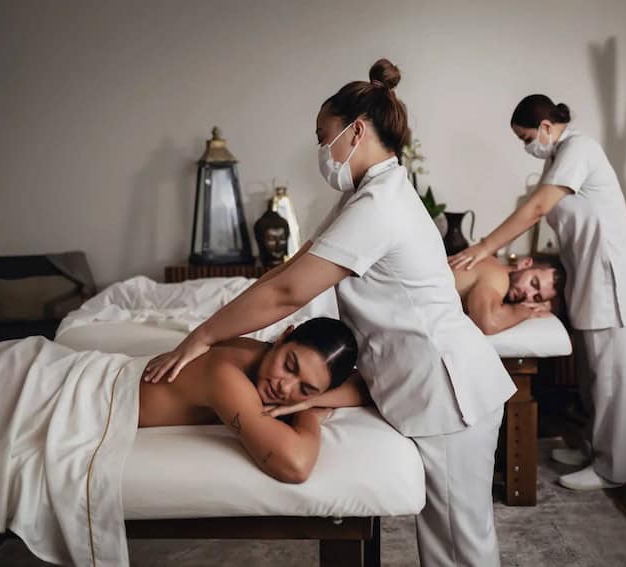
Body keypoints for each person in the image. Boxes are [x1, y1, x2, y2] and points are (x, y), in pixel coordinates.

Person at [142, 59, 515, 566]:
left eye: (324, 136)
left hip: (448, 390)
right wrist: (221, 323)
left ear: (356, 130)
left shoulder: (381, 206)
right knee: (447, 544)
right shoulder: (365, 196)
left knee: (459, 545)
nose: (321, 150)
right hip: (428, 383)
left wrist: (203, 337)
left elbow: (289, 293)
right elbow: (291, 268)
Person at [449, 94, 626, 491]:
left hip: (614, 281)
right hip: (591, 278)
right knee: (592, 377)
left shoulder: (580, 149)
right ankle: (594, 451)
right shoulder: (559, 157)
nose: (526, 146)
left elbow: (538, 208)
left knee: (610, 380)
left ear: (546, 127)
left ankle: (613, 469)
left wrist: (485, 247)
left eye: (526, 137)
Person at [140, 317, 360, 483]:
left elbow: (367, 386)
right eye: (289, 366)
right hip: (107, 397)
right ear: (283, 337)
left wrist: (308, 401)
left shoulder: (261, 356)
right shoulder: (226, 375)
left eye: (305, 388)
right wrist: (310, 414)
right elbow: (296, 467)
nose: (284, 387)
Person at [452, 255, 565, 335]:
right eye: (533, 283)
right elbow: (488, 323)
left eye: (536, 298)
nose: (528, 294)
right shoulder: (499, 277)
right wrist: (526, 311)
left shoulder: (493, 265)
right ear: (525, 264)